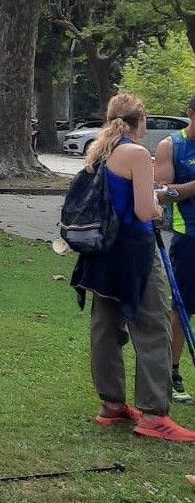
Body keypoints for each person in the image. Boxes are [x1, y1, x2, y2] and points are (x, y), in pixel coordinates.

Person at [70, 93, 195, 442]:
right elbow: (143, 211)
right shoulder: (137, 153)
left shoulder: (101, 149)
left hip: (103, 252)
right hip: (134, 252)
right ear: (140, 121)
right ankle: (155, 413)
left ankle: (111, 403)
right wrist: (157, 204)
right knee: (153, 326)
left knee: (106, 326)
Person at [151, 92, 195, 404]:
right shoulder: (171, 145)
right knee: (182, 309)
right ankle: (172, 373)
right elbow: (161, 194)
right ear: (192, 113)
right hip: (189, 236)